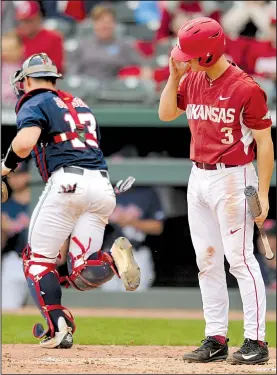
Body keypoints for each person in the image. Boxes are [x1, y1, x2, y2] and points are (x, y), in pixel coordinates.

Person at [1, 53, 140, 349]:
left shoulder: (35, 99)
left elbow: (25, 142)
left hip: (67, 183)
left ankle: (56, 328)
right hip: (102, 186)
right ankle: (113, 261)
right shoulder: (79, 103)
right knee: (81, 272)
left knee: (37, 262)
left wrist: (4, 168)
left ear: (26, 80)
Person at [159, 17, 274, 365]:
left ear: (208, 55)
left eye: (190, 56)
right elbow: (166, 114)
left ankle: (256, 340)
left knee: (239, 260)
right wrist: (174, 76)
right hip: (200, 175)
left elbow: (265, 144)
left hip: (234, 177)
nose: (184, 59)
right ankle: (216, 337)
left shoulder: (246, 87)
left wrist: (264, 193)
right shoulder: (191, 78)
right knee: (207, 261)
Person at [101, 186, 165, 291]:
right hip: (110, 250)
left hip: (136, 250)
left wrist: (131, 222)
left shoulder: (147, 192)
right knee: (108, 292)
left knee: (135, 293)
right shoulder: (107, 190)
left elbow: (158, 227)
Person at [68, 4, 151, 80]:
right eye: (100, 22)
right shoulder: (82, 45)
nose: (105, 26)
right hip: (86, 88)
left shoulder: (124, 45)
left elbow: (144, 65)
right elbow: (72, 72)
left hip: (114, 89)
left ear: (114, 24)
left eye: (108, 22)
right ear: (94, 24)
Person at [2, 162, 30, 310]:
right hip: (14, 261)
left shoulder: (42, 200)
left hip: (41, 261)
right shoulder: (4, 206)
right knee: (8, 310)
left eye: (19, 174)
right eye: (11, 176)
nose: (14, 179)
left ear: (29, 175)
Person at [15, 1, 64, 73]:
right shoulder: (16, 36)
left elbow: (57, 68)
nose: (23, 25)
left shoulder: (53, 38)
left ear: (38, 18)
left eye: (28, 21)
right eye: (21, 21)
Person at [2, 31, 24, 106]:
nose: (7, 53)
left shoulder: (26, 68)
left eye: (11, 49)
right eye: (4, 49)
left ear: (21, 49)